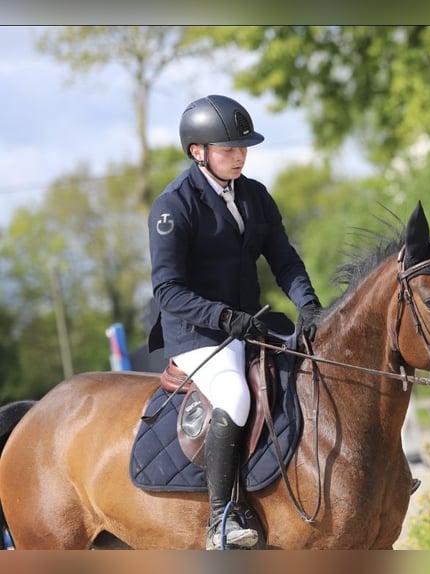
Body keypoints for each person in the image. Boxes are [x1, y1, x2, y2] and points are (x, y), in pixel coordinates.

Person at [147, 94, 323, 550]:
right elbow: (168, 290)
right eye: (228, 149)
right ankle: (222, 518)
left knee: (318, 365)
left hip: (251, 323)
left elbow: (284, 260)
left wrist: (310, 306)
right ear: (197, 151)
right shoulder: (173, 207)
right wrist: (223, 317)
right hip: (198, 331)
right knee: (235, 395)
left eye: (243, 147)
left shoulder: (255, 195)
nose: (239, 155)